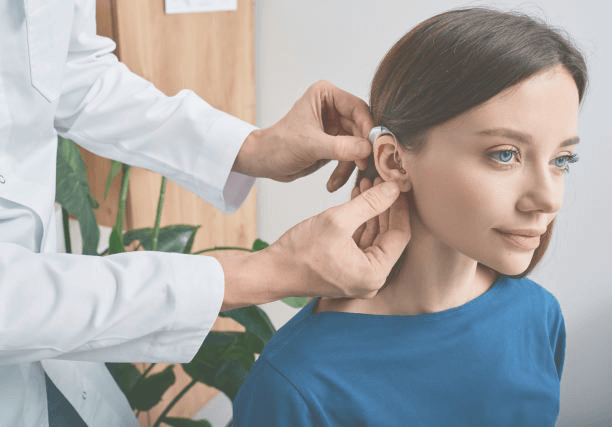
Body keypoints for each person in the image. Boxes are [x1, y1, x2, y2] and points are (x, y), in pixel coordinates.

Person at [0, 1, 412, 426]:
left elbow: (72, 70)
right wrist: (262, 274)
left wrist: (251, 147)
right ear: (391, 160)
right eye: (489, 154)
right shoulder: (296, 381)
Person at [233, 7, 587, 426]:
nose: (548, 198)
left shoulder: (539, 317)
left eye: (562, 160)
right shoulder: (297, 383)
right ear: (395, 161)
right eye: (504, 155)